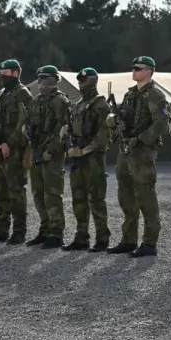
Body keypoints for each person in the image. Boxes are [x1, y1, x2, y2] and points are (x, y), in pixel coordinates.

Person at [111, 55, 168, 257]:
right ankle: (129, 239)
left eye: (138, 68)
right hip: (126, 150)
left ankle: (150, 243)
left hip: (143, 152)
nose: (133, 71)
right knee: (126, 197)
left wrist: (141, 138)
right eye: (133, 68)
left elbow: (162, 124)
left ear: (148, 71)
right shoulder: (130, 95)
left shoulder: (155, 95)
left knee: (146, 197)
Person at [0, 59, 34, 244]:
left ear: (16, 73)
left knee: (16, 191)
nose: (2, 76)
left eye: (6, 72)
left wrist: (9, 144)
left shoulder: (23, 94)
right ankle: (2, 228)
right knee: (0, 190)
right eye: (1, 72)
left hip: (14, 151)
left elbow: (25, 125)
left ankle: (19, 231)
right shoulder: (2, 93)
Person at [64, 67, 111, 250]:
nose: (82, 83)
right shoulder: (78, 104)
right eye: (80, 80)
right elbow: (71, 129)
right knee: (78, 198)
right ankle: (81, 236)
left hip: (93, 159)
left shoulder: (100, 104)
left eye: (85, 80)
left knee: (96, 199)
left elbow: (103, 134)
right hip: (77, 158)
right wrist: (69, 145)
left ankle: (102, 238)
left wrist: (84, 151)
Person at [26, 65, 70, 248]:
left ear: (55, 80)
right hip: (36, 151)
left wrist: (50, 150)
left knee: (52, 194)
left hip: (52, 154)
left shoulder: (61, 101)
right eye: (41, 78)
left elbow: (63, 129)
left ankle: (56, 232)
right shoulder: (36, 101)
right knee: (38, 193)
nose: (43, 82)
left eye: (47, 78)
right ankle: (44, 229)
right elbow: (28, 123)